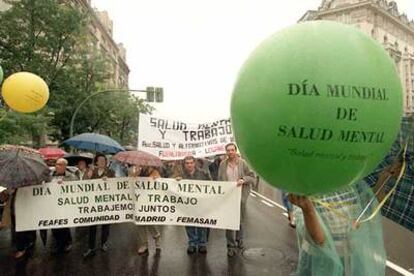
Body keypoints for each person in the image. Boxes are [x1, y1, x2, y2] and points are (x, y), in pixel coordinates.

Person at [289, 181, 386, 276]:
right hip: (321, 264)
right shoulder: (306, 191)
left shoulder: (350, 183)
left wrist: (384, 178)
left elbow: (369, 206)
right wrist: (308, 210)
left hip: (351, 259)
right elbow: (319, 240)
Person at [218, 143, 255, 257]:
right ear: (226, 152)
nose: (230, 152)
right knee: (229, 221)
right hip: (228, 197)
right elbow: (219, 179)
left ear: (235, 151)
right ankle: (230, 245)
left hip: (240, 196)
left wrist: (243, 180)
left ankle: (239, 239)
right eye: (228, 150)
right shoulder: (223, 164)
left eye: (232, 150)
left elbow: (252, 177)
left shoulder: (243, 163)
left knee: (239, 219)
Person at [83, 154, 115, 258]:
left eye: (104, 160)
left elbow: (116, 186)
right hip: (93, 203)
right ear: (96, 162)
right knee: (92, 226)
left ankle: (103, 243)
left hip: (106, 203)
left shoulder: (110, 172)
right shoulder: (91, 171)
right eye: (100, 160)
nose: (102, 162)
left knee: (106, 224)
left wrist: (109, 181)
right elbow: (83, 184)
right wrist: (88, 175)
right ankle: (91, 247)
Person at [179, 156, 212, 254]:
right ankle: (192, 243)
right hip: (187, 204)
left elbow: (212, 186)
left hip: (201, 203)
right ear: (184, 165)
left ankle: (202, 243)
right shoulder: (181, 175)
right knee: (189, 223)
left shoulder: (203, 173)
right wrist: (176, 181)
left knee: (202, 223)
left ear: (195, 163)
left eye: (191, 162)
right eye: (187, 163)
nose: (189, 165)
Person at [131, 165, 162, 255]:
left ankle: (156, 237)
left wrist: (156, 179)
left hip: (149, 201)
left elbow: (159, 183)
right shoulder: (137, 171)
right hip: (139, 200)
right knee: (140, 222)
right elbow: (130, 181)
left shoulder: (154, 172)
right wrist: (135, 175)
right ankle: (144, 244)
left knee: (149, 221)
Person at [51, 158, 78, 255]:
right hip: (52, 205)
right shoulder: (50, 176)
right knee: (54, 225)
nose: (57, 166)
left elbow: (77, 190)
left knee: (64, 226)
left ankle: (67, 242)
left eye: (60, 164)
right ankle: (57, 244)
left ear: (65, 166)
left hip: (64, 205)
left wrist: (65, 185)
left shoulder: (71, 177)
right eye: (56, 164)